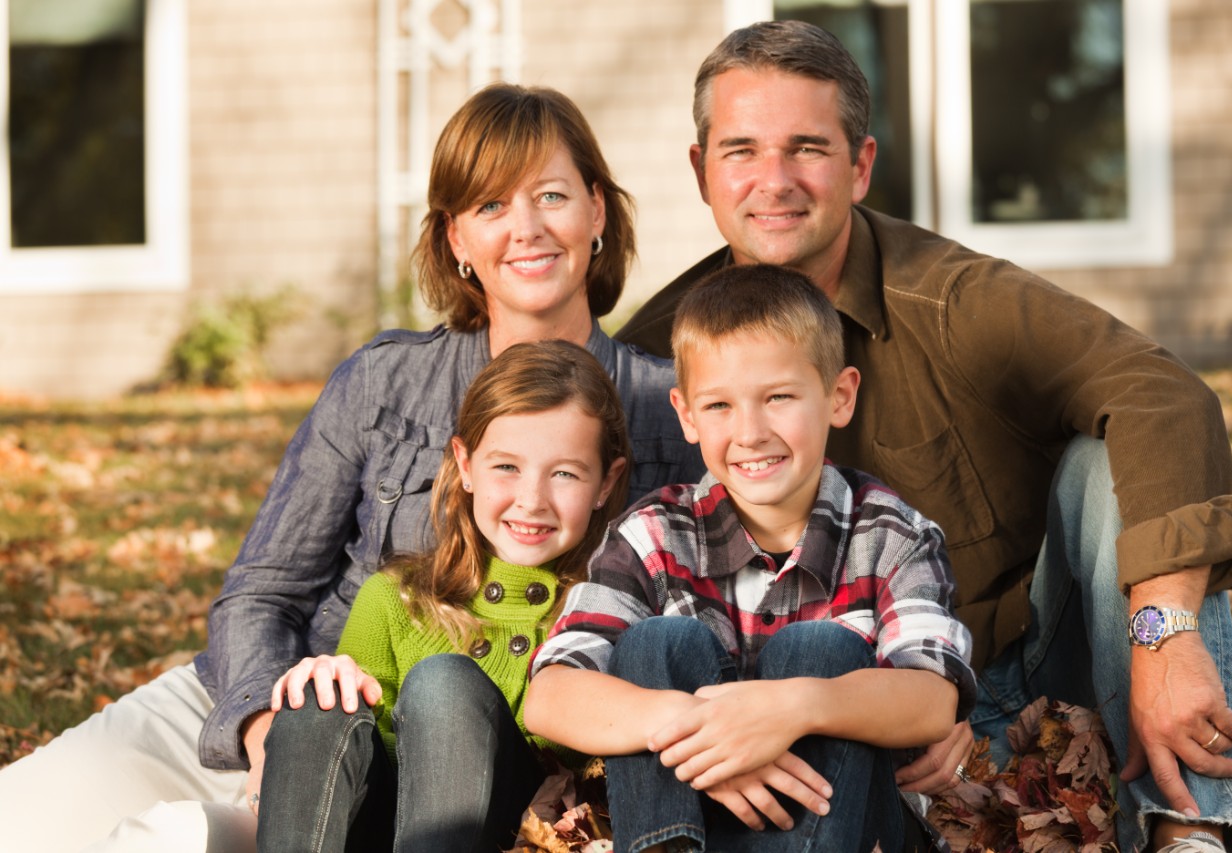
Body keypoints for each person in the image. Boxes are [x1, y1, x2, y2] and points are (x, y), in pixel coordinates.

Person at [614, 20, 1232, 853]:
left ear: (860, 167)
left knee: (1108, 461)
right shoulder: (658, 353)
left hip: (1018, 674)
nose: (772, 181)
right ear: (701, 170)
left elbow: (1162, 395)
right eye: (741, 149)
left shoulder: (952, 300)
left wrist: (1162, 631)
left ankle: (1201, 823)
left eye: (807, 148)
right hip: (824, 709)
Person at [0, 83, 703, 853]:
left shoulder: (664, 405)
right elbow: (261, 592)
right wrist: (263, 719)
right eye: (491, 207)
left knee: (168, 840)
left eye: (553, 196)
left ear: (597, 211)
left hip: (437, 759)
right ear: (455, 239)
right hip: (273, 699)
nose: (526, 229)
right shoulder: (383, 382)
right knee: (22, 818)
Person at [526, 264, 977, 852]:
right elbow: (552, 695)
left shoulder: (891, 535)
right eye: (719, 406)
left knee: (819, 650)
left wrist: (794, 709)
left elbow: (932, 697)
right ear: (686, 415)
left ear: (839, 397)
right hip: (694, 824)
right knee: (658, 645)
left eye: (779, 397)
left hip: (850, 833)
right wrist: (709, 733)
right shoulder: (652, 535)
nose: (751, 431)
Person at [256, 339, 630, 852]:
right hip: (379, 826)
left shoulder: (607, 612)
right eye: (506, 467)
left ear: (605, 484)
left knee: (443, 683)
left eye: (565, 473)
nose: (531, 499)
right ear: (466, 464)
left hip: (512, 832)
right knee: (319, 698)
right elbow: (354, 748)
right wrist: (327, 676)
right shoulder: (396, 598)